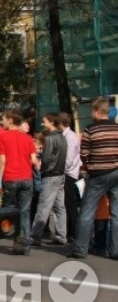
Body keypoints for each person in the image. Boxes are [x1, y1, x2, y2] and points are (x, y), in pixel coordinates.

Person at [69, 97, 118, 259]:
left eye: (91, 110)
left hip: (98, 175)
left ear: (97, 111)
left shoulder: (90, 130)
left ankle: (80, 249)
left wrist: (89, 167)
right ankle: (115, 250)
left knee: (87, 212)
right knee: (116, 213)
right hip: (116, 173)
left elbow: (84, 154)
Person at [0, 108, 38, 255]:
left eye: (4, 119)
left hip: (10, 177)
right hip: (27, 178)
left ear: (11, 120)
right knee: (25, 213)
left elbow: (2, 161)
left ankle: (15, 241)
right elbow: (34, 160)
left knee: (10, 212)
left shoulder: (2, 137)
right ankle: (25, 245)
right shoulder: (28, 138)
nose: (2, 122)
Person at [31, 112, 68, 246]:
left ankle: (35, 236)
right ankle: (61, 235)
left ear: (51, 122)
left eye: (44, 121)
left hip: (51, 174)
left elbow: (46, 158)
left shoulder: (50, 138)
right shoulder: (62, 136)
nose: (42, 124)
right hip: (61, 173)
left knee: (43, 207)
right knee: (60, 207)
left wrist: (42, 167)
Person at [59, 112, 82, 242]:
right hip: (71, 171)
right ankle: (71, 231)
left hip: (69, 173)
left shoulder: (69, 136)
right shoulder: (69, 135)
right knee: (68, 203)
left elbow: (69, 156)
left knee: (70, 203)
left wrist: (64, 169)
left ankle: (74, 231)